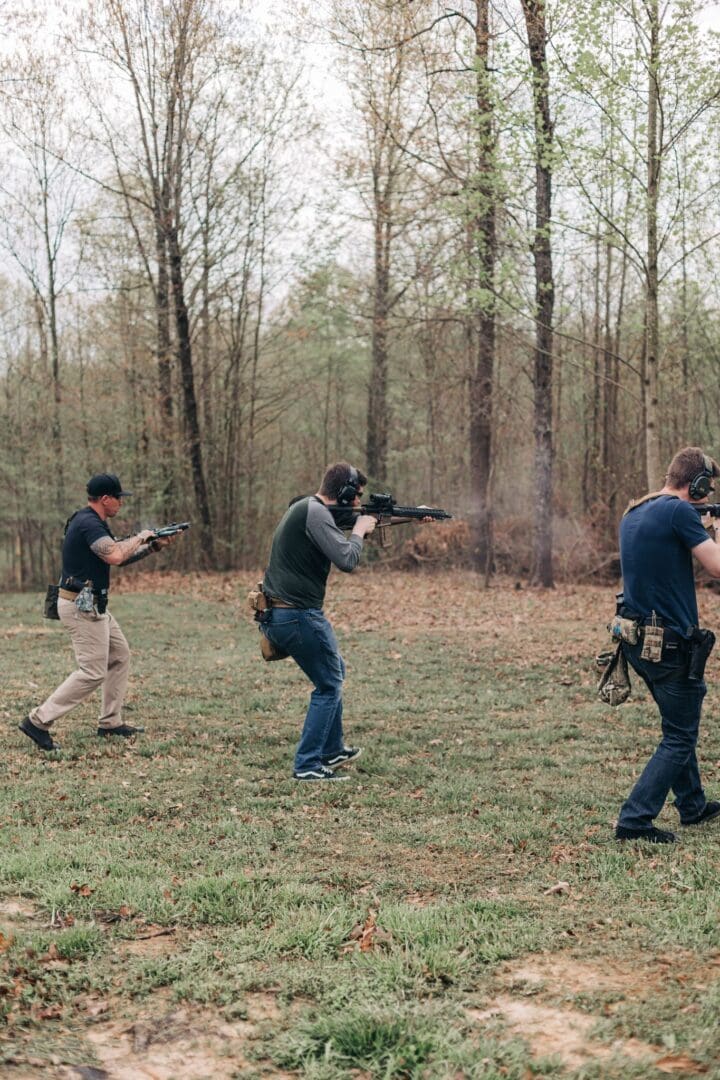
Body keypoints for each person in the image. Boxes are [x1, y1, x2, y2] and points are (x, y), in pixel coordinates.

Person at [19, 473, 178, 752]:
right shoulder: (89, 524)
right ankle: (38, 720)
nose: (121, 503)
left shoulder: (92, 523)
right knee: (92, 672)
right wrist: (141, 536)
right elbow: (115, 554)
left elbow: (116, 557)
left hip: (93, 604)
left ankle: (110, 722)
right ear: (105, 499)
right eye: (118, 498)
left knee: (119, 655)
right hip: (82, 607)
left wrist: (151, 545)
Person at [614, 446, 720, 843]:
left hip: (636, 640)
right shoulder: (678, 512)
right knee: (679, 736)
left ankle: (692, 804)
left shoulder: (635, 511)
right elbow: (717, 568)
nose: (708, 497)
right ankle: (634, 820)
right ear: (696, 485)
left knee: (679, 724)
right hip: (670, 643)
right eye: (706, 490)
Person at [260, 462, 378, 781]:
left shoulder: (306, 507)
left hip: (282, 613)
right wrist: (358, 531)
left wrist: (398, 517)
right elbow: (347, 559)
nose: (356, 503)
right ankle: (308, 764)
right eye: (355, 497)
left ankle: (332, 749)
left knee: (334, 671)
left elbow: (349, 520)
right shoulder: (316, 513)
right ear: (343, 493)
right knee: (329, 684)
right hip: (297, 615)